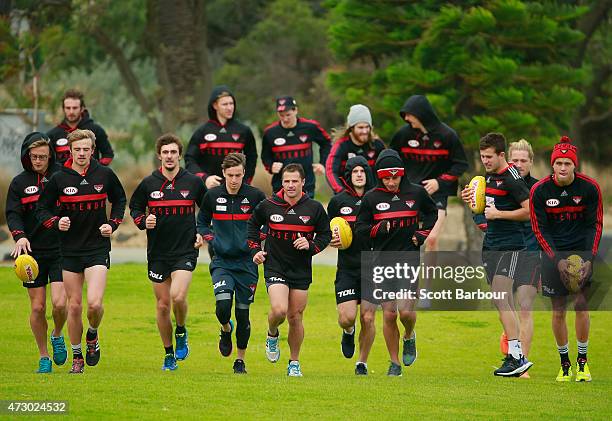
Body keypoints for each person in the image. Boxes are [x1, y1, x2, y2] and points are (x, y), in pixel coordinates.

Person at [36, 129, 126, 374]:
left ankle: (93, 336)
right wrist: (56, 222)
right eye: (78, 149)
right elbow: (42, 209)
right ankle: (77, 356)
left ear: (93, 150)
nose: (82, 153)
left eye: (87, 149)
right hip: (69, 251)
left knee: (94, 305)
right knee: (74, 307)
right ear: (70, 151)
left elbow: (120, 200)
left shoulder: (105, 174)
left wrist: (113, 223)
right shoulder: (59, 178)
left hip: (97, 247)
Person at [355, 149, 438, 376]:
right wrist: (377, 229)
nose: (391, 182)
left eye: (395, 177)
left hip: (409, 259)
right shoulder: (370, 198)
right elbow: (360, 229)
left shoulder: (417, 193)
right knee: (389, 314)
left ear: (402, 174)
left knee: (406, 314)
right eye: (387, 178)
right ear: (379, 176)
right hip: (381, 261)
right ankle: (395, 363)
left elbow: (432, 215)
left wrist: (422, 235)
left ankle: (409, 335)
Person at [129, 134, 206, 371]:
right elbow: (135, 208)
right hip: (158, 252)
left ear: (179, 155)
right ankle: (168, 354)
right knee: (163, 305)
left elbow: (207, 210)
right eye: (165, 153)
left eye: (174, 152)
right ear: (159, 155)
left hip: (185, 250)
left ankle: (181, 330)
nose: (170, 156)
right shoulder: (149, 183)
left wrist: (202, 231)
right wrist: (144, 221)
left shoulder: (192, 182)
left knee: (178, 296)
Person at [530, 136, 603, 382]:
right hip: (553, 254)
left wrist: (589, 259)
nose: (563, 167)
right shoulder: (539, 191)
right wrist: (557, 261)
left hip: (581, 252)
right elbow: (540, 230)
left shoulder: (589, 188)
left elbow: (594, 225)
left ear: (575, 165)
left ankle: (583, 363)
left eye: (567, 163)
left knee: (582, 305)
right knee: (558, 310)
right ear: (553, 164)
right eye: (558, 162)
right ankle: (565, 363)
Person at [247, 164, 331, 377]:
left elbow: (325, 235)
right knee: (279, 310)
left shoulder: (314, 208)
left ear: (303, 182)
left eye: (295, 181)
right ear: (281, 182)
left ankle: (294, 362)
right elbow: (252, 227)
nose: (290, 185)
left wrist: (310, 246)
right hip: (275, 266)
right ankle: (272, 333)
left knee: (295, 317)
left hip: (301, 270)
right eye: (286, 181)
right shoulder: (269, 205)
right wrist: (256, 250)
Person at [460, 133, 533, 377]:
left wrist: (499, 215)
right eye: (482, 157)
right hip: (491, 243)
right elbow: (484, 206)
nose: (485, 161)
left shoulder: (512, 177)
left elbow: (529, 211)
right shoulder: (489, 177)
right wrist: (470, 198)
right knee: (503, 301)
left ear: (502, 155)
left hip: (511, 245)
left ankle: (517, 356)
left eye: (489, 157)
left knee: (501, 297)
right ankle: (514, 356)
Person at [390, 95, 468, 307]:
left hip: (437, 197)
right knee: (403, 241)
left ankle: (426, 291)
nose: (408, 120)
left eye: (410, 116)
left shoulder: (448, 135)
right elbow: (389, 159)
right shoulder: (403, 135)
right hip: (408, 197)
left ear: (422, 114)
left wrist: (439, 182)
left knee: (431, 240)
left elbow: (460, 165)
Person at [196, 153, 266, 374]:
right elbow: (202, 223)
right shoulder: (213, 196)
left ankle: (240, 360)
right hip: (222, 262)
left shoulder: (255, 196)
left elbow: (267, 224)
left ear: (244, 173)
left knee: (243, 314)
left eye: (238, 175)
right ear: (223, 174)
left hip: (247, 264)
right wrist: (212, 240)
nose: (234, 180)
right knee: (223, 307)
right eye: (230, 175)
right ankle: (225, 329)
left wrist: (258, 243)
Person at [6, 132, 67, 373]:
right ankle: (44, 356)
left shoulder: (62, 177)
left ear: (50, 156)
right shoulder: (19, 183)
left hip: (61, 249)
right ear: (26, 156)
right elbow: (13, 213)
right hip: (31, 253)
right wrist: (19, 235)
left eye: (43, 156)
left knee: (60, 304)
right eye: (34, 157)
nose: (38, 161)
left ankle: (58, 334)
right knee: (38, 308)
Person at [327, 156, 376, 375]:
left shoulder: (377, 199)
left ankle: (362, 363)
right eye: (354, 171)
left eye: (362, 171)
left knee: (368, 316)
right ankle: (348, 332)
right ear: (349, 175)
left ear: (368, 174)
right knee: (347, 317)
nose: (359, 174)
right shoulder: (338, 202)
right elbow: (325, 232)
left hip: (373, 268)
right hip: (347, 267)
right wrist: (330, 239)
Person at [497, 139, 539, 378]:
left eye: (524, 160)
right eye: (515, 160)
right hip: (504, 251)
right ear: (508, 160)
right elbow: (480, 214)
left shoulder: (539, 189)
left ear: (531, 162)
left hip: (531, 253)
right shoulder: (498, 184)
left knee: (524, 306)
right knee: (505, 304)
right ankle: (512, 351)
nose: (520, 164)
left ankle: (522, 365)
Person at [185, 85, 257, 189]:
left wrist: (245, 181)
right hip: (210, 189)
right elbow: (190, 160)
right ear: (215, 105)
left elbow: (252, 158)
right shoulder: (202, 132)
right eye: (225, 104)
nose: (229, 108)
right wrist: (205, 178)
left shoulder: (244, 131)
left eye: (231, 103)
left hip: (236, 190)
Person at [261, 96, 331, 197]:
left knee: (306, 212)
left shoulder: (310, 127)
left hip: (306, 184)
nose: (285, 119)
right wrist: (271, 166)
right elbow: (265, 156)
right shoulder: (270, 132)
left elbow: (327, 143)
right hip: (280, 186)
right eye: (281, 115)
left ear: (295, 110)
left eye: (288, 115)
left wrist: (322, 163)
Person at [325, 104, 386, 194]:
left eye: (367, 127)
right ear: (351, 128)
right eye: (360, 127)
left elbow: (386, 168)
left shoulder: (377, 144)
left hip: (372, 196)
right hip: (348, 195)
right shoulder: (341, 146)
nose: (365, 131)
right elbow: (330, 171)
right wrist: (341, 192)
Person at [47, 89, 114, 165]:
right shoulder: (52, 135)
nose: (71, 112)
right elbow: (47, 160)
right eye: (68, 108)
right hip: (62, 176)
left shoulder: (96, 130)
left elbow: (108, 155)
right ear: (63, 109)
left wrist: (97, 170)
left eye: (75, 108)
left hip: (90, 176)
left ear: (82, 109)